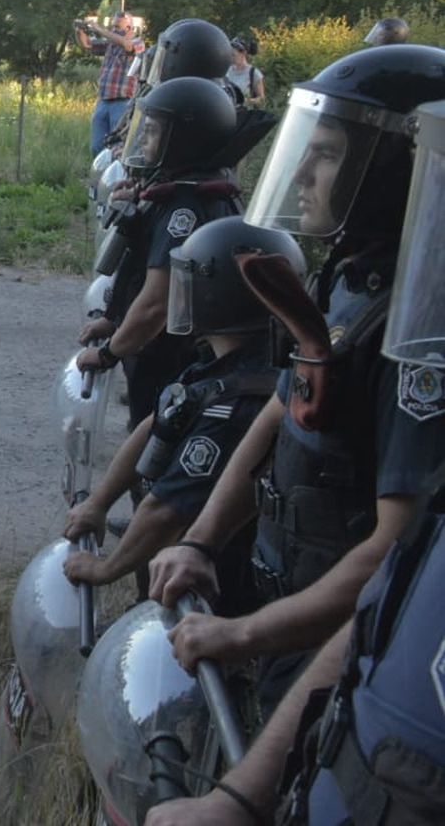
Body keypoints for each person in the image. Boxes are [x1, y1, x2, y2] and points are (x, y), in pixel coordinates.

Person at [146, 102, 445, 826]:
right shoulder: (349, 282)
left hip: (330, 649)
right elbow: (284, 409)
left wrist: (244, 633)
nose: (304, 175)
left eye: (330, 155)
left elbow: (391, 553)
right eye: (305, 152)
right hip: (283, 606)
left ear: (390, 175)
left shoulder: (420, 332)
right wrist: (199, 540)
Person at [63, 217, 301, 604]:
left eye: (187, 280)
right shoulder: (221, 365)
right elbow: (156, 424)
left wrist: (106, 569)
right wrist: (98, 503)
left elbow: (165, 512)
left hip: (224, 590)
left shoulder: (236, 404)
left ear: (215, 294)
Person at [75, 77, 242, 426]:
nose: (143, 140)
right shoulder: (175, 187)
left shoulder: (188, 205)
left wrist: (108, 353)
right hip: (154, 349)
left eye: (152, 131)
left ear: (183, 139)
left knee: (152, 439)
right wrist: (114, 319)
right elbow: (139, 267)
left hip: (169, 356)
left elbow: (156, 303)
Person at [77, 11, 145, 156]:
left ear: (128, 27)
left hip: (122, 101)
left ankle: (116, 176)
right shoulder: (110, 44)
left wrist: (100, 29)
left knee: (118, 146)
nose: (113, 30)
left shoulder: (138, 42)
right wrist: (80, 30)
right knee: (97, 146)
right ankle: (100, 174)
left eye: (117, 27)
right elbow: (87, 44)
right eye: (112, 27)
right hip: (103, 100)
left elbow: (127, 45)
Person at [227, 35, 265, 106]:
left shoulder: (254, 73)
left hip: (244, 113)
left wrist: (247, 101)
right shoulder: (227, 71)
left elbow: (261, 99)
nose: (231, 58)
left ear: (243, 53)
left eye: (233, 55)